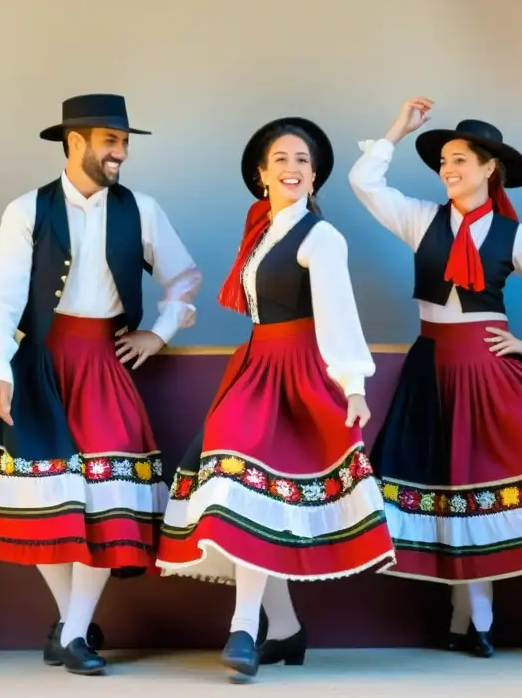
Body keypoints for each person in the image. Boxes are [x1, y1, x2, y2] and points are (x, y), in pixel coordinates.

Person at [0, 94, 202, 676]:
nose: (121, 154)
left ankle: (74, 630)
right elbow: (0, 299)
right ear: (75, 141)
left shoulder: (143, 209)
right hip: (39, 369)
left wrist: (158, 333)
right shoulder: (26, 210)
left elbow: (184, 277)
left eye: (125, 143)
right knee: (46, 505)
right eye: (111, 142)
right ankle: (73, 624)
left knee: (106, 500)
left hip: (104, 368)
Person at [342, 97, 522, 657]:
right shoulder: (421, 219)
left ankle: (474, 618)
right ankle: (470, 617)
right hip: (431, 367)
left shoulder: (514, 235)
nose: (448, 170)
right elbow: (364, 182)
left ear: (490, 168)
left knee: (480, 484)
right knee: (451, 486)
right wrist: (397, 128)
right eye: (443, 162)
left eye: (460, 159)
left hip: (488, 370)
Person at [156, 116, 395, 681]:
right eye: (282, 159)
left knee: (251, 489)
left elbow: (339, 315)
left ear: (315, 178)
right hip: (254, 370)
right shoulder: (262, 232)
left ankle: (244, 628)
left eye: (303, 161)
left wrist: (353, 385)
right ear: (262, 174)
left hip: (296, 376)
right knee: (253, 497)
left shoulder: (320, 236)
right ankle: (285, 631)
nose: (293, 168)